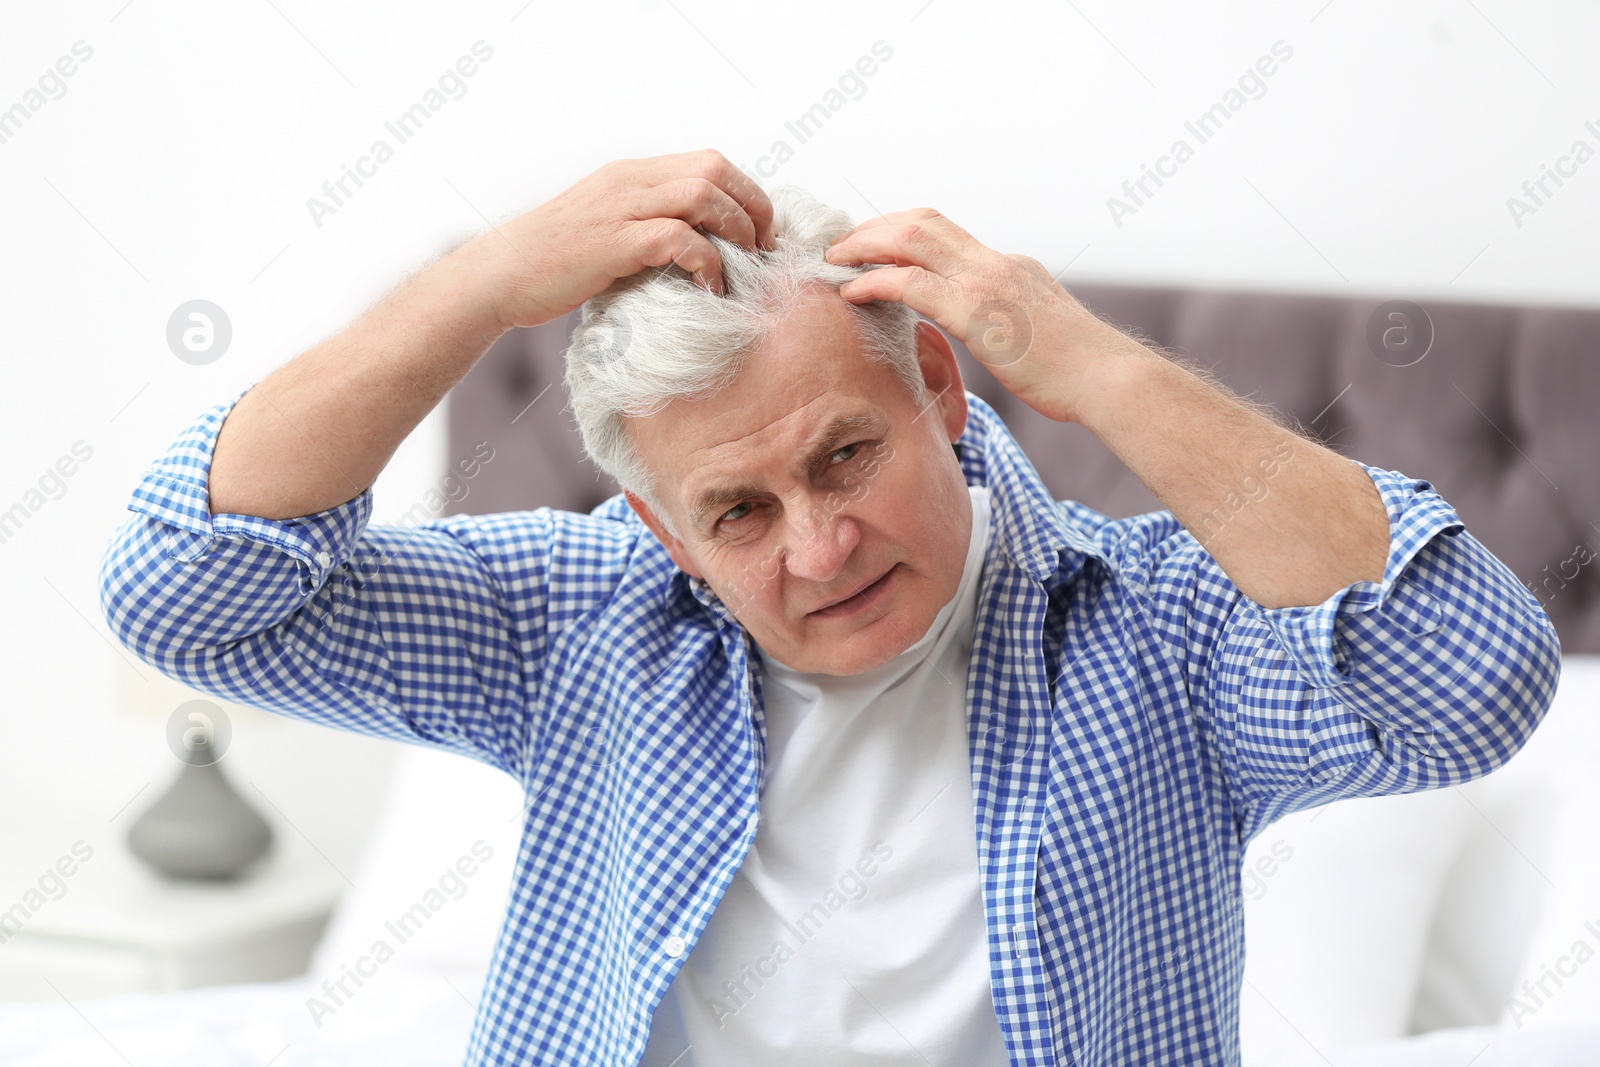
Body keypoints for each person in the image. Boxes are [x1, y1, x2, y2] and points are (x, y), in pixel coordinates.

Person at [99, 149, 1561, 1066]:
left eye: (846, 456)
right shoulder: (582, 619)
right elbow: (186, 597)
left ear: (936, 389)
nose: (820, 548)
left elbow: (1468, 683)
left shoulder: (1161, 633)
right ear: (666, 530)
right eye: (739, 513)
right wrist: (479, 286)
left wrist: (1086, 364)